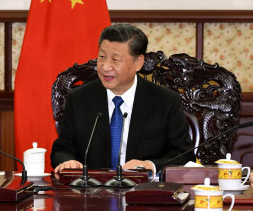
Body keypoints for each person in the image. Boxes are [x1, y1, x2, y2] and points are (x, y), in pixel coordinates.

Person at [51, 24, 195, 175]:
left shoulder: (165, 101)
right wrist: (67, 161)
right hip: (93, 191)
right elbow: (62, 149)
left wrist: (150, 165)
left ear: (138, 63)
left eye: (115, 60)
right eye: (102, 57)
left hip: (142, 191)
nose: (105, 67)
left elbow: (183, 154)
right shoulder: (79, 98)